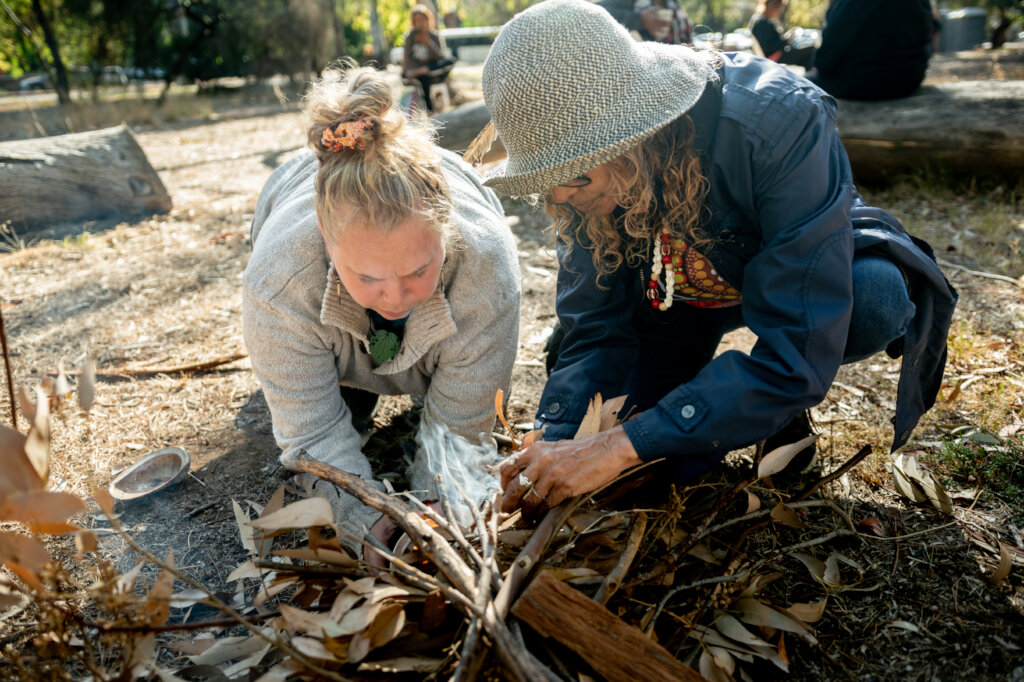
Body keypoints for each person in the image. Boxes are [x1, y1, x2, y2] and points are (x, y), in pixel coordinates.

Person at [467, 0, 956, 515]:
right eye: (543, 181)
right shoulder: (583, 188)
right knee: (650, 455)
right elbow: (594, 326)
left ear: (630, 141)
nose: (556, 198)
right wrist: (560, 440)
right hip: (676, 298)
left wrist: (617, 446)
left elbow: (799, 343)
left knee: (874, 299)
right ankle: (745, 405)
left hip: (790, 274)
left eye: (568, 174)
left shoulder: (778, 120)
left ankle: (764, 404)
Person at [243, 65, 520, 555]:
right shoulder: (276, 282)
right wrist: (363, 518)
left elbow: (461, 428)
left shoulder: (487, 270)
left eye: (417, 270)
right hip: (307, 280)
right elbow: (311, 435)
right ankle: (345, 381)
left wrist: (441, 500)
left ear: (446, 231)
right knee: (335, 414)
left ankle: (403, 374)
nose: (395, 296)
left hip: (448, 322)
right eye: (367, 277)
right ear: (327, 240)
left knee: (441, 419)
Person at [804, 0, 939, 101]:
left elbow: (833, 41)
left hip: (865, 82)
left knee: (798, 87)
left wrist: (820, 66)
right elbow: (933, 27)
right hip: (910, 78)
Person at [402, 4, 456, 113]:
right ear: (413, 22)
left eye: (422, 20)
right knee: (424, 79)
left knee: (451, 61)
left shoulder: (434, 35)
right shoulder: (410, 37)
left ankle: (423, 70)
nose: (420, 23)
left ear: (428, 20)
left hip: (433, 69)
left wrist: (428, 43)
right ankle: (429, 111)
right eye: (417, 20)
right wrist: (418, 68)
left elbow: (441, 57)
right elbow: (407, 60)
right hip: (418, 72)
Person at [748, 0, 815, 69]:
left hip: (774, 54)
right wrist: (786, 42)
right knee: (810, 51)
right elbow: (769, 46)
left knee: (804, 52)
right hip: (774, 56)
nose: (780, 12)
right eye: (779, 9)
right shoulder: (761, 22)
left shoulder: (759, 19)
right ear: (772, 6)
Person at [597, 0, 692, 44]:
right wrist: (640, 20)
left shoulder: (673, 3)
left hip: (678, 64)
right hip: (646, 70)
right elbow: (596, 11)